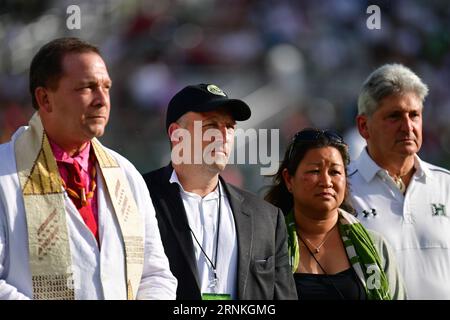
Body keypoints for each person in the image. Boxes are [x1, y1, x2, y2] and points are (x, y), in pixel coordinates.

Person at [0, 37, 177, 300]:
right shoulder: (5, 173)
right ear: (45, 98)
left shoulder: (126, 174)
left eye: (106, 87)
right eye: (87, 87)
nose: (102, 100)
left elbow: (155, 274)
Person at [143, 83, 297, 300]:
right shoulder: (137, 197)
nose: (224, 135)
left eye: (230, 126)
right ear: (177, 135)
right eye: (211, 125)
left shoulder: (267, 218)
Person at [265, 128, 406, 300]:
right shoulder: (267, 248)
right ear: (289, 179)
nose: (326, 182)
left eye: (335, 172)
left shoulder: (374, 247)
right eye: (314, 171)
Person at [348, 63, 450, 299]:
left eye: (414, 115)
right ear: (364, 126)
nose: (408, 127)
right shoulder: (340, 189)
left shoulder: (446, 185)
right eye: (394, 116)